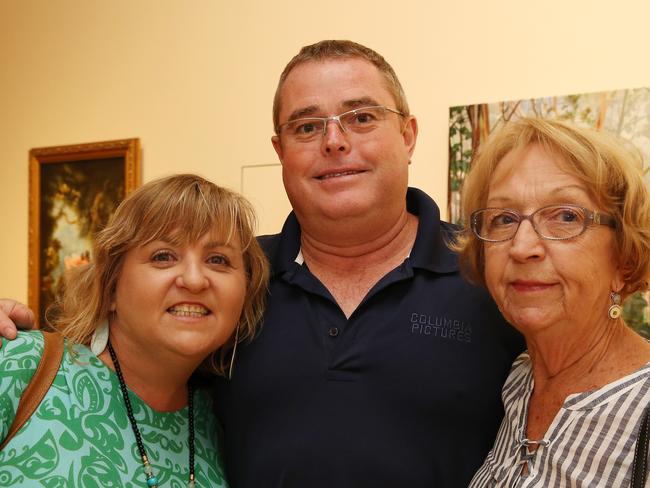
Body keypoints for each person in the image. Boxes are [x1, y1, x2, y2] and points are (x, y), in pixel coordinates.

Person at [0, 41, 524, 488]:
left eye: (362, 117)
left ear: (408, 135)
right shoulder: (236, 283)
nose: (335, 140)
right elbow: (128, 346)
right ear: (280, 150)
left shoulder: (493, 273)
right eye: (306, 126)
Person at [0, 174, 269, 487]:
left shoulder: (223, 422)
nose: (195, 280)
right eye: (163, 256)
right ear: (111, 286)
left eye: (218, 260)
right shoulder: (20, 364)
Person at [453, 118, 650, 486]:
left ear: (624, 258)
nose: (522, 246)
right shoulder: (517, 382)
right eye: (504, 218)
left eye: (565, 216)